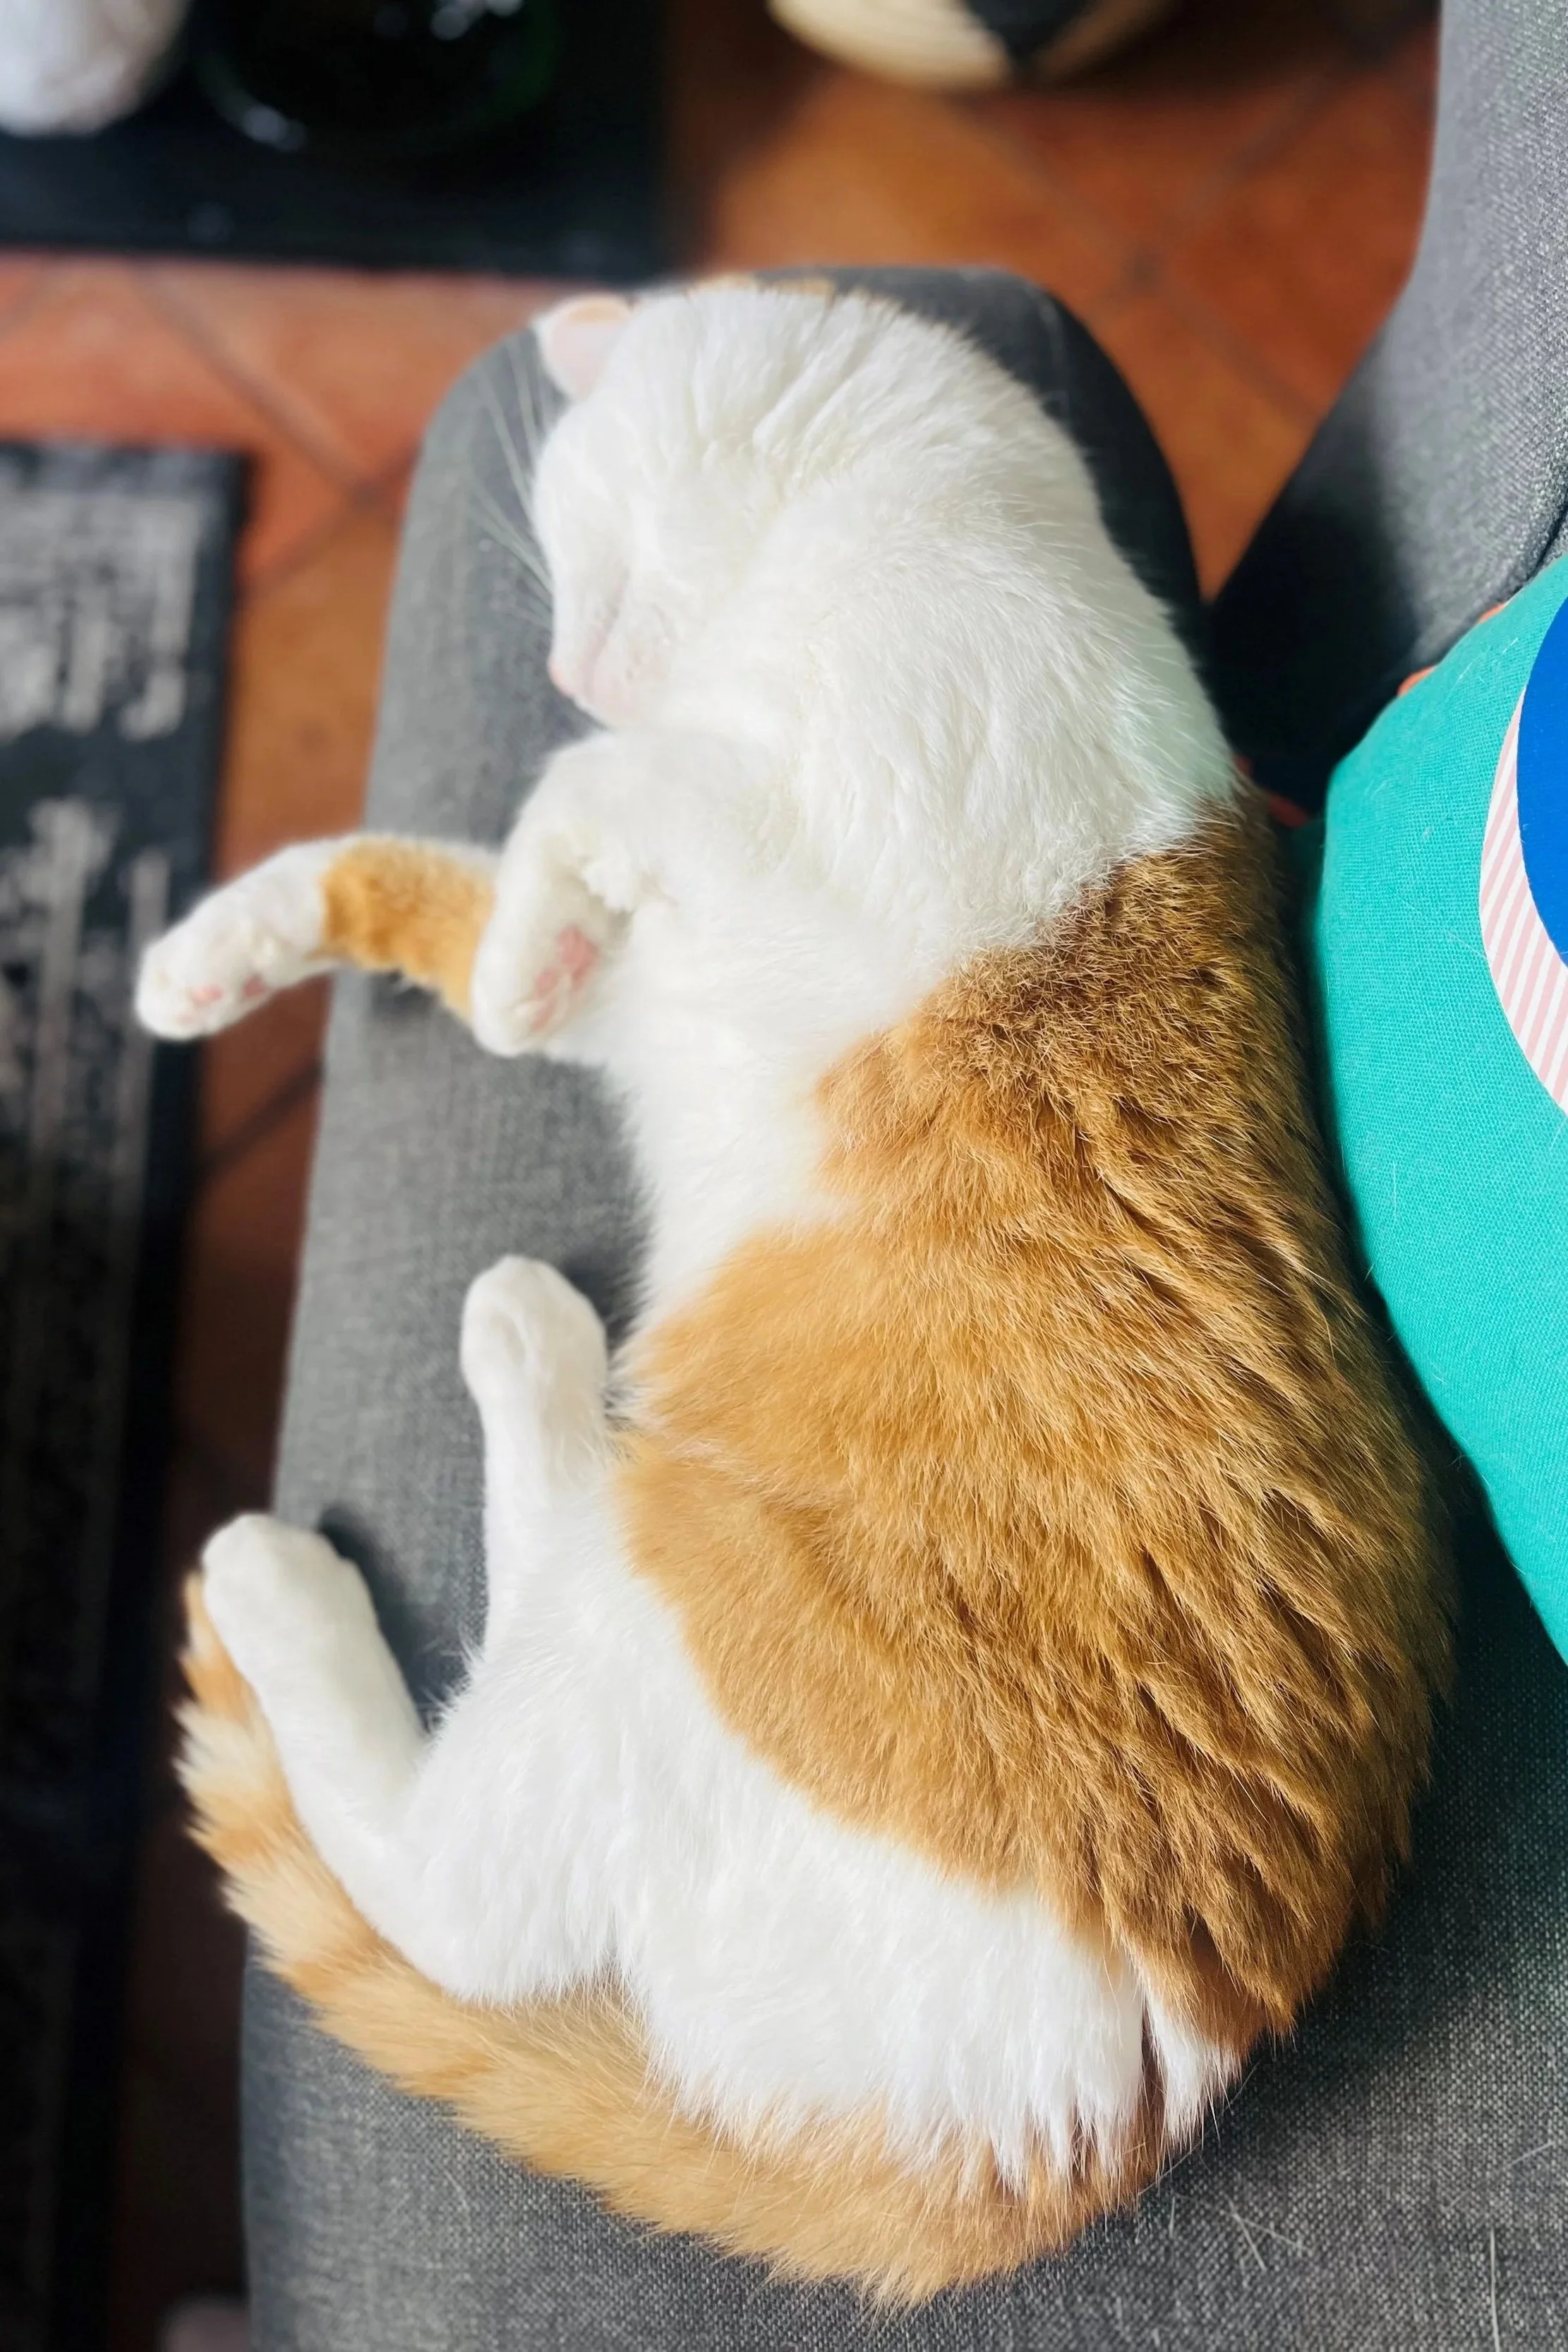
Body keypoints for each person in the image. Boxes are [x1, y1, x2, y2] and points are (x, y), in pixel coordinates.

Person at [243, 1, 1568, 2340]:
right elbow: (797, 916)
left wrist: (599, 817)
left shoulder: (887, 551)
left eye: (588, 589)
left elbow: (746, 875)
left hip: (992, 1920)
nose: (573, 658)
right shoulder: (924, 574)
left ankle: (430, 1864)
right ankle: (582, 1533)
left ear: (666, 372)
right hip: (1070, 1804)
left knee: (527, 1845)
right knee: (737, 1433)